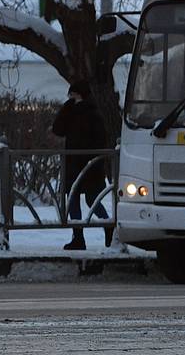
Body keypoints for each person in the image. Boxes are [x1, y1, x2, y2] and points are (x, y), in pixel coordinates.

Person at [51, 80, 112, 250]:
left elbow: (100, 139)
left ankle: (108, 228)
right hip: (74, 163)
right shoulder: (71, 111)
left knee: (91, 199)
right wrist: (66, 108)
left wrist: (94, 159)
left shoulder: (92, 113)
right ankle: (78, 236)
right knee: (73, 199)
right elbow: (57, 129)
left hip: (89, 165)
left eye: (73, 94)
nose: (70, 97)